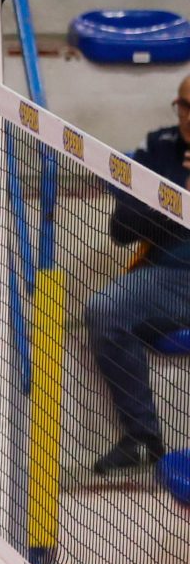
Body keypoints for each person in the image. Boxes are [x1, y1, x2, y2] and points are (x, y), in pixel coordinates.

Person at [84, 73, 190, 476]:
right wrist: (180, 197)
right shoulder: (159, 149)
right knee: (105, 310)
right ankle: (142, 437)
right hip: (169, 280)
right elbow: (122, 228)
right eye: (185, 106)